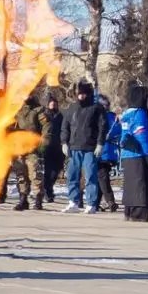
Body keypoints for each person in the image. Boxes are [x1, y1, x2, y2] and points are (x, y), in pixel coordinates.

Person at [60, 81, 107, 213]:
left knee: (91, 175)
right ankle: (73, 202)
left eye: (83, 94)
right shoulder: (72, 108)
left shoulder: (97, 108)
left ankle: (91, 203)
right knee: (72, 176)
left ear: (88, 94)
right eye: (79, 94)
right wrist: (64, 142)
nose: (81, 97)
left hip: (90, 148)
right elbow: (65, 127)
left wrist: (100, 143)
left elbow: (102, 127)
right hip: (74, 147)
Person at [116, 83, 148, 222]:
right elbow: (142, 135)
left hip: (127, 154)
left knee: (130, 184)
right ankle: (139, 213)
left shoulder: (127, 114)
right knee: (140, 184)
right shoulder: (139, 114)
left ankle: (129, 210)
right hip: (139, 153)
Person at [9, 91, 48, 210]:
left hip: (32, 147)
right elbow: (10, 126)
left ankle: (38, 199)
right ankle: (23, 198)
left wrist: (43, 141)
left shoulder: (38, 110)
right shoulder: (17, 110)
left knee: (35, 173)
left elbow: (46, 126)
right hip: (18, 147)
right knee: (21, 174)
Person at [94, 92, 120, 212]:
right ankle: (96, 202)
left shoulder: (111, 117)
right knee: (101, 178)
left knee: (102, 177)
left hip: (105, 152)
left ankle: (110, 201)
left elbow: (117, 131)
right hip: (101, 151)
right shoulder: (97, 116)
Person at [39, 86, 66, 200]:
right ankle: (48, 191)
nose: (53, 105)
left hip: (58, 146)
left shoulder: (60, 116)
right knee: (49, 170)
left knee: (57, 170)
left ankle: (48, 187)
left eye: (54, 103)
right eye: (51, 103)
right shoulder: (43, 115)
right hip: (47, 146)